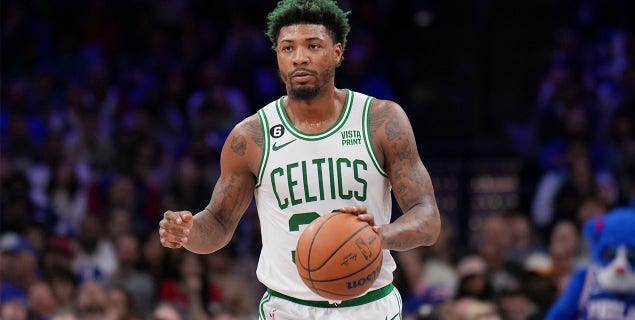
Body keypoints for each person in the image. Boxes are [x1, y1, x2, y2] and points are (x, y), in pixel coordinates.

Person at [158, 0, 441, 318]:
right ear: (278, 57)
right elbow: (219, 223)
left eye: (313, 45)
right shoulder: (251, 136)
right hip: (288, 308)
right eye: (287, 48)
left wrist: (375, 238)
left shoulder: (381, 120)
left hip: (369, 305)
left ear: (337, 52)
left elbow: (427, 219)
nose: (299, 57)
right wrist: (190, 232)